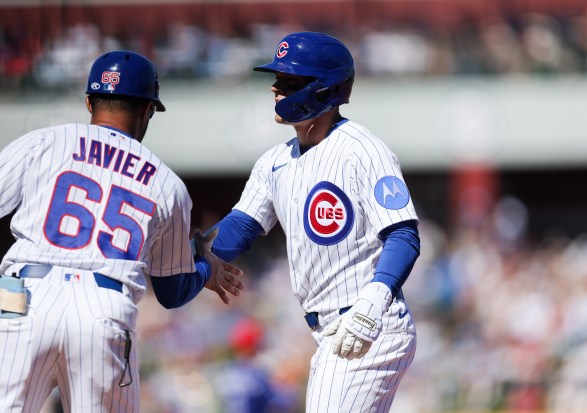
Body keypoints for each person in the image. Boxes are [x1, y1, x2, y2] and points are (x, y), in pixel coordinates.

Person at [0, 50, 244, 412]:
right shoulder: (167, 183)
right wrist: (205, 269)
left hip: (22, 295)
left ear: (88, 102)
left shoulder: (43, 143)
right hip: (104, 309)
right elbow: (172, 291)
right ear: (148, 110)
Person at [200, 32, 421, 412]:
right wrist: (193, 252)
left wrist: (373, 301)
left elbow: (403, 234)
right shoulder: (274, 162)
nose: (275, 88)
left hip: (370, 322)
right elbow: (240, 227)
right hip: (327, 329)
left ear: (323, 91)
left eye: (289, 82)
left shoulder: (362, 150)